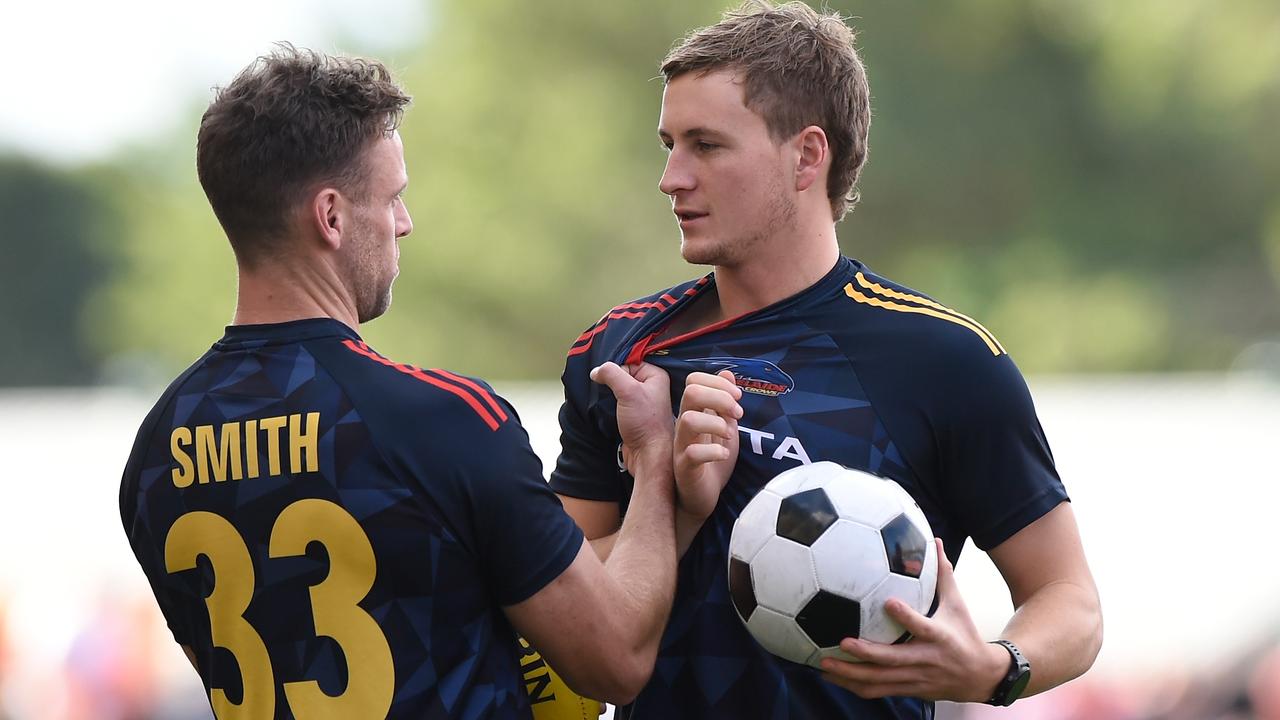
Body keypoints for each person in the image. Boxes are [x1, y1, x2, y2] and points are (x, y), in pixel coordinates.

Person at [550, 3, 1103, 718]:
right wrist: (664, 489)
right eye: (669, 145)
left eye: (706, 145)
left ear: (807, 156)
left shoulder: (946, 359)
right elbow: (557, 604)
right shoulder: (619, 355)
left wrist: (994, 669)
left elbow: (1070, 600)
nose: (672, 177)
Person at [119, 45, 688, 719]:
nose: (404, 222)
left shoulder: (154, 453)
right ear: (330, 216)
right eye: (392, 198)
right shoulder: (443, 419)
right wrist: (656, 465)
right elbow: (614, 661)